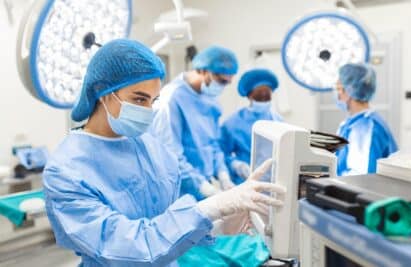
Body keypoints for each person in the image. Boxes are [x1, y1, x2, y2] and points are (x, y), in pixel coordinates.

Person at [42, 39, 285, 267]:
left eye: (152, 100)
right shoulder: (66, 171)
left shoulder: (151, 148)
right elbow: (133, 248)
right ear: (102, 91)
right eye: (139, 99)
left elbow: (169, 223)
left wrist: (217, 224)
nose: (148, 111)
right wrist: (212, 207)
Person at [150, 46, 239, 200]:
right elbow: (171, 156)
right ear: (204, 71)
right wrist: (203, 187)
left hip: (203, 185)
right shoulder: (171, 99)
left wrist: (223, 175)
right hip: (179, 191)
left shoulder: (210, 101)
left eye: (228, 83)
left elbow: (213, 144)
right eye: (221, 81)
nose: (223, 86)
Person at [334, 63, 398, 176]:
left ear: (349, 91)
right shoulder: (351, 123)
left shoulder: (366, 127)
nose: (337, 95)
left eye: (339, 89)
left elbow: (359, 179)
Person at [220, 68, 282, 184]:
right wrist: (235, 165)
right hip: (244, 181)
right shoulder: (233, 123)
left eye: (266, 97)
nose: (263, 100)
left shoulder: (277, 120)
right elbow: (220, 153)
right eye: (259, 97)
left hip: (273, 182)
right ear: (249, 96)